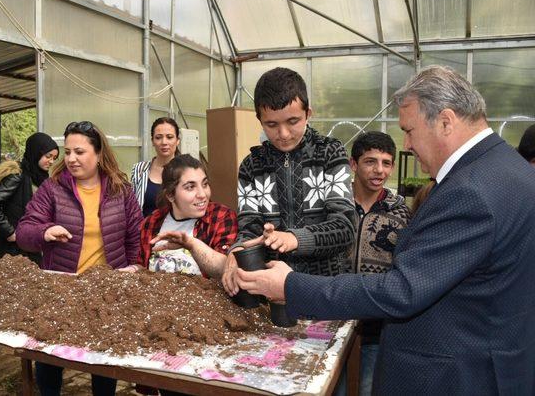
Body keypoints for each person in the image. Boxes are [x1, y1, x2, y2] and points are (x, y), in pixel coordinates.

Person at [236, 65, 535, 395]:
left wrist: (291, 286)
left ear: (446, 121)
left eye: (409, 130)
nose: (405, 145)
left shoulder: (472, 190)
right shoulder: (509, 170)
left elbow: (402, 290)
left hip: (456, 376)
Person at [16, 121, 143, 396]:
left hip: (107, 293)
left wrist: (133, 268)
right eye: (68, 151)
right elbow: (24, 231)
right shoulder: (53, 189)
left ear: (98, 154)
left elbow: (135, 237)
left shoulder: (121, 190)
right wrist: (45, 230)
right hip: (62, 290)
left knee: (103, 363)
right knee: (50, 361)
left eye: (80, 152)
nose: (71, 158)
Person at [223, 67, 356, 296]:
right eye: (271, 125)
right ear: (260, 120)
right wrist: (237, 251)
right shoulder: (251, 167)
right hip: (270, 291)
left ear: (308, 113)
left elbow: (344, 228)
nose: (283, 133)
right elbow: (249, 228)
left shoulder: (330, 154)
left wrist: (294, 238)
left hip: (324, 290)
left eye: (292, 121)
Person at [347, 131, 410, 395]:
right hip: (329, 319)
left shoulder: (401, 212)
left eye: (386, 163)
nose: (379, 170)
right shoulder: (335, 205)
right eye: (370, 161)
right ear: (353, 164)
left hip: (376, 327)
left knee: (368, 390)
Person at [133, 154, 237, 279]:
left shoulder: (221, 217)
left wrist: (191, 244)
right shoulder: (152, 222)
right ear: (170, 195)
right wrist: (133, 269)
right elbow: (143, 266)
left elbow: (226, 269)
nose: (202, 194)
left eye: (205, 184)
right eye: (190, 187)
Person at [0, 132, 58, 264]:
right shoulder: (17, 175)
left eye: (54, 158)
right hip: (15, 243)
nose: (51, 161)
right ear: (36, 152)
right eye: (48, 156)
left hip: (33, 240)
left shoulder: (41, 177)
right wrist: (9, 232)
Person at [131, 117, 181, 217]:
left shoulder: (187, 170)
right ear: (153, 141)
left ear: (177, 141)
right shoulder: (139, 169)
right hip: (145, 230)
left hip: (177, 231)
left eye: (169, 137)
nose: (164, 142)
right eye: (158, 137)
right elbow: (132, 207)